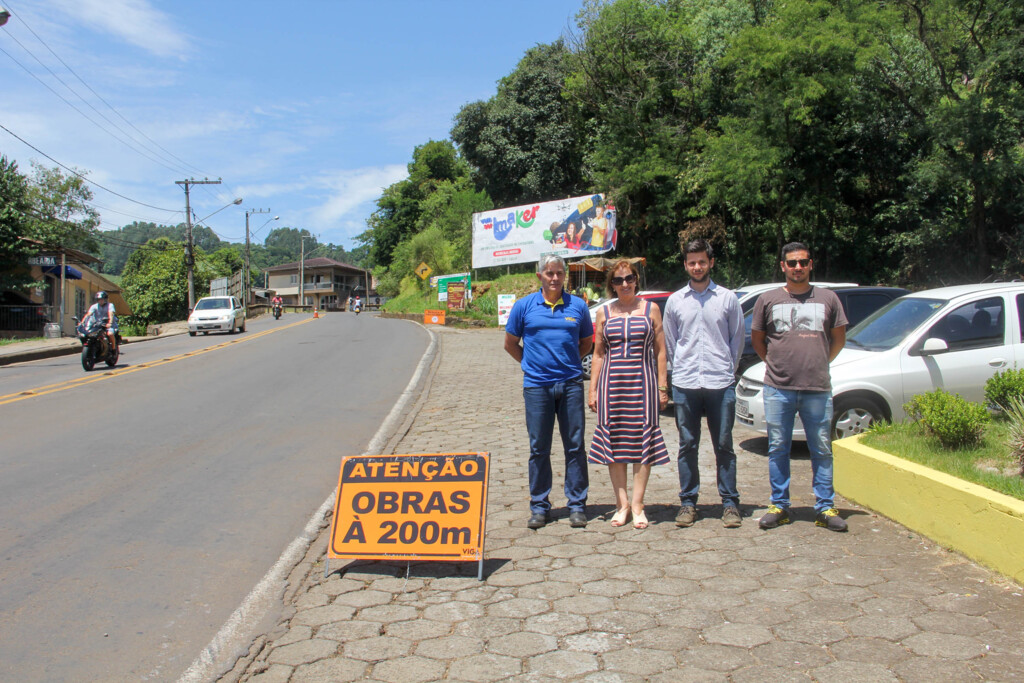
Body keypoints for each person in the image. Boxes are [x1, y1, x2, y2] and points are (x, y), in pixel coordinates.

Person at [751, 242, 849, 532]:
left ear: (810, 264)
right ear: (782, 266)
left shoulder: (828, 298)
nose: (797, 267)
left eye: (802, 262)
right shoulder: (767, 299)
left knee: (820, 448)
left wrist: (819, 362)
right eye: (791, 263)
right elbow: (758, 340)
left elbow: (838, 338)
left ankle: (825, 507)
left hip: (817, 387)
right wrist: (776, 364)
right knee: (778, 447)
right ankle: (779, 506)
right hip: (778, 387)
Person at [504, 254, 594, 529]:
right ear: (539, 276)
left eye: (559, 273)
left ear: (565, 276)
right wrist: (532, 366)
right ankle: (540, 506)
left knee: (575, 446)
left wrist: (567, 366)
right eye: (549, 273)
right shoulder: (524, 307)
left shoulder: (578, 306)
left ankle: (577, 504)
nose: (554, 278)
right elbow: (510, 343)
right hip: (537, 388)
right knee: (538, 448)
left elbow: (587, 343)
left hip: (570, 385)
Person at [662, 239, 744, 528]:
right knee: (687, 445)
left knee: (724, 444)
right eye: (692, 262)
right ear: (685, 265)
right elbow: (672, 345)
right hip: (685, 384)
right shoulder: (675, 301)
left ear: (711, 262)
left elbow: (736, 341)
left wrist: (725, 371)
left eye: (702, 261)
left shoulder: (727, 299)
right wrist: (681, 372)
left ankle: (731, 504)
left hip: (720, 383)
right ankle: (687, 503)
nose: (697, 267)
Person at [587, 260, 669, 529]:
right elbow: (598, 354)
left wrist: (662, 387)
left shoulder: (651, 309)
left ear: (636, 280)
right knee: (616, 443)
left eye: (630, 278)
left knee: (642, 442)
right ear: (611, 284)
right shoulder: (604, 313)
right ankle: (621, 504)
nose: (625, 284)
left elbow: (660, 352)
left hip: (642, 384)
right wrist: (593, 389)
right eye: (619, 280)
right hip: (612, 386)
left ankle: (638, 505)